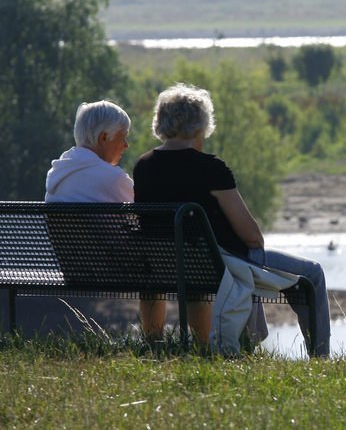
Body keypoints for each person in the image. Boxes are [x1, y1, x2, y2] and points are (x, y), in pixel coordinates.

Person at [133, 83, 331, 357]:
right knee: (312, 273)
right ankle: (321, 358)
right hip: (213, 265)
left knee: (245, 261)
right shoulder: (211, 167)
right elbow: (252, 236)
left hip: (164, 264)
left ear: (161, 122)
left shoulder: (143, 165)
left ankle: (248, 347)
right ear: (201, 125)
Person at [45, 100, 209, 342]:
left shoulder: (58, 173)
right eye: (122, 138)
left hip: (74, 268)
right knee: (186, 266)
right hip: (114, 267)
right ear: (103, 139)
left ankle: (156, 342)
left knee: (151, 263)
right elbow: (145, 215)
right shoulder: (109, 177)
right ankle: (179, 343)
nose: (126, 145)